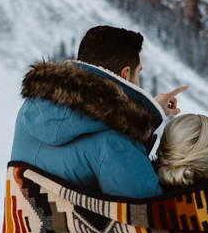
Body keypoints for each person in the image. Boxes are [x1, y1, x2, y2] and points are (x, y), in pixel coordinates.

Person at [10, 25, 188, 198]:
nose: (139, 83)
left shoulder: (32, 110)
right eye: (138, 73)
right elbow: (149, 212)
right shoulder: (117, 140)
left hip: (28, 227)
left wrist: (148, 111)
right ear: (125, 74)